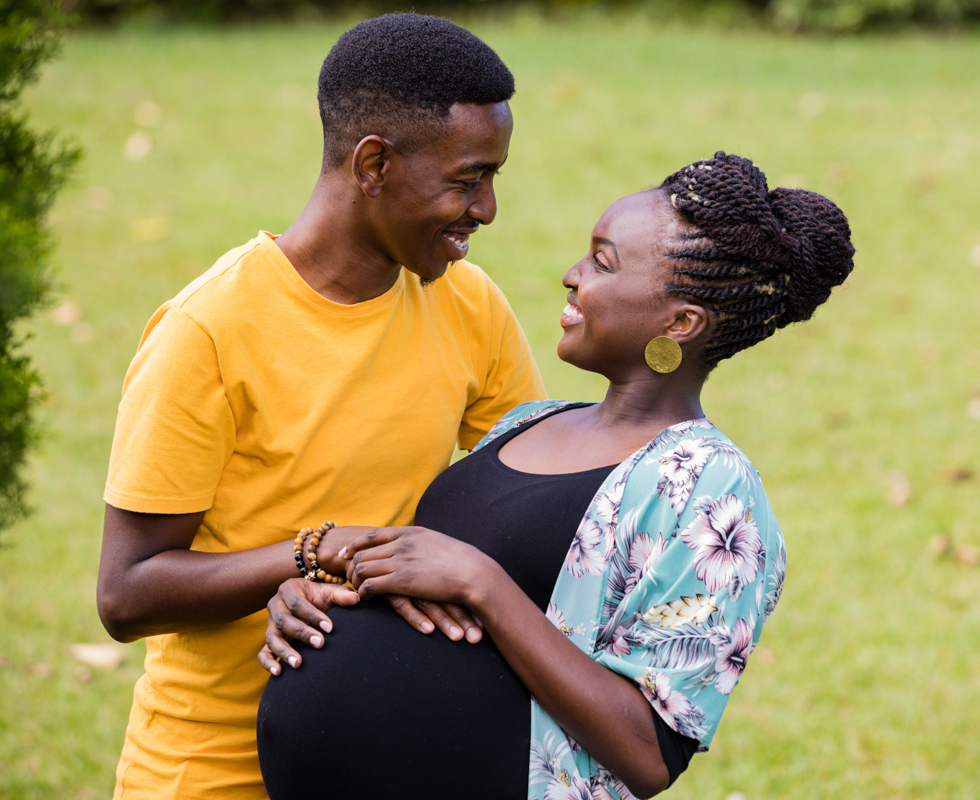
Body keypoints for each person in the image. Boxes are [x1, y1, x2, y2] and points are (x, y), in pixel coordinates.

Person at [255, 152, 855, 799]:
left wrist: (484, 584)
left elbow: (649, 753)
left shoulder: (711, 489)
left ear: (679, 323)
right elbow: (430, 591)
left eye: (603, 261)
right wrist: (322, 595)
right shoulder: (526, 422)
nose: (571, 276)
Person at [95, 15, 546, 800]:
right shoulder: (208, 331)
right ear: (373, 163)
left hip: (395, 751)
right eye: (468, 179)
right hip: (217, 768)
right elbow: (127, 591)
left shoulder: (471, 305)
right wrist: (315, 552)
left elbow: (527, 495)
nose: (487, 209)